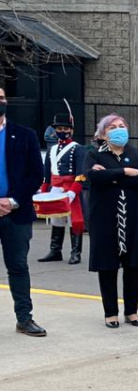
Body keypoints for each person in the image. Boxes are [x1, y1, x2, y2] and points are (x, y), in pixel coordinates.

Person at [84, 114, 138, 328]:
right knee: (108, 266)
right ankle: (110, 313)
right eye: (112, 127)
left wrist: (111, 177)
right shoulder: (94, 155)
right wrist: (124, 172)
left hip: (135, 217)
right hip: (105, 219)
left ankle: (131, 311)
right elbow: (93, 177)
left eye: (122, 125)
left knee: (133, 265)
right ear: (103, 134)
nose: (118, 129)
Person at [0, 88, 48, 337]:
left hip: (16, 213)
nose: (0, 103)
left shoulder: (25, 135)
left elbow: (36, 174)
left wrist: (13, 200)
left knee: (18, 267)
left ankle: (24, 318)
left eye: (2, 98)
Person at [38, 111, 86, 265]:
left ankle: (75, 252)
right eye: (59, 129)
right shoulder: (52, 149)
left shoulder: (77, 148)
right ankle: (55, 250)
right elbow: (47, 173)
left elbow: (81, 174)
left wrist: (73, 191)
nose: (62, 132)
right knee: (56, 220)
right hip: (56, 188)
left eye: (66, 129)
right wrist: (44, 191)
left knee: (74, 221)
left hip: (71, 188)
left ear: (71, 130)